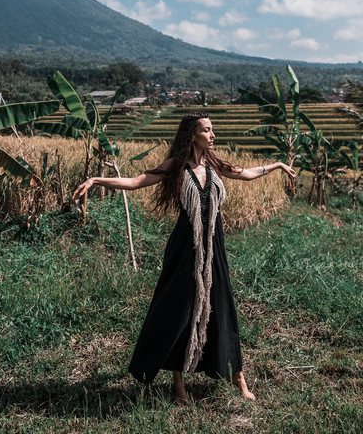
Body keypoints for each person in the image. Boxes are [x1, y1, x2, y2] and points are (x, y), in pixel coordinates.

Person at [72, 112, 296, 403]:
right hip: (185, 248)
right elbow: (137, 181)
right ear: (193, 135)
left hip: (214, 246)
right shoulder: (176, 166)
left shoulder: (215, 164)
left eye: (212, 129)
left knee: (221, 305)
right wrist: (96, 180)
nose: (213, 135)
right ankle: (178, 382)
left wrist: (277, 164)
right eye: (207, 130)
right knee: (180, 309)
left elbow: (246, 173)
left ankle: (237, 376)